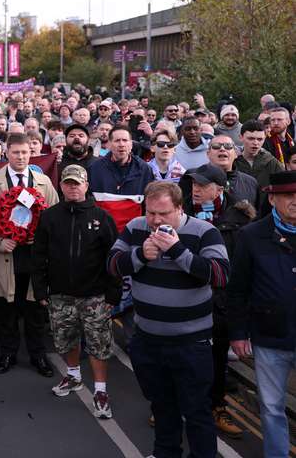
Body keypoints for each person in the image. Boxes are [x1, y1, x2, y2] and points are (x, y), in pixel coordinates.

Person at [108, 181, 229, 458]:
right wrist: (140, 255)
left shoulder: (204, 232)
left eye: (163, 214)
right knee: (162, 406)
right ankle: (165, 453)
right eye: (151, 213)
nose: (155, 220)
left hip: (191, 343)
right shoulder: (136, 227)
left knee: (196, 410)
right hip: (148, 340)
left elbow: (220, 275)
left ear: (179, 208)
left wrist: (177, 250)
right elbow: (112, 264)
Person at [32, 164, 119, 418]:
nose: (72, 187)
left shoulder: (102, 218)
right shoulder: (49, 217)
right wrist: (40, 290)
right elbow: (39, 255)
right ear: (60, 186)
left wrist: (113, 294)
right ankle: (73, 376)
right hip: (60, 295)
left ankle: (100, 391)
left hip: (95, 296)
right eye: (68, 183)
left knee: (98, 345)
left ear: (86, 186)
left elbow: (114, 259)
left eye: (77, 183)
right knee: (66, 339)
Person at [179, 163, 254, 438]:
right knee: (182, 358)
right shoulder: (181, 210)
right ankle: (175, 406)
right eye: (194, 184)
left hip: (221, 300)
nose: (195, 190)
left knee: (217, 359)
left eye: (202, 185)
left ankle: (216, 406)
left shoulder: (240, 217)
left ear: (219, 189)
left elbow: (244, 263)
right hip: (186, 296)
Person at [0, 133, 59, 377]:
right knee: (6, 308)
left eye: (25, 152)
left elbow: (54, 217)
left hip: (34, 256)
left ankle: (38, 355)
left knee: (35, 309)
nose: (21, 157)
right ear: (7, 153)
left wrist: (41, 239)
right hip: (5, 253)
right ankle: (8, 353)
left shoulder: (43, 182)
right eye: (15, 152)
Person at [228, 171, 296, 458]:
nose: (295, 201)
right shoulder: (251, 235)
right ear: (272, 199)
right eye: (288, 195)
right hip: (269, 335)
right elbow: (238, 288)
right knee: (271, 406)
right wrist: (238, 333)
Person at [235, 120, 284, 196]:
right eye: (251, 138)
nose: (255, 143)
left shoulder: (273, 163)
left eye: (260, 139)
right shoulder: (232, 162)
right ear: (241, 137)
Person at [207, 134, 258, 207]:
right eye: (216, 146)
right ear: (208, 154)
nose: (222, 149)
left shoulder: (251, 182)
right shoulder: (194, 179)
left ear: (236, 154)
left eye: (228, 146)